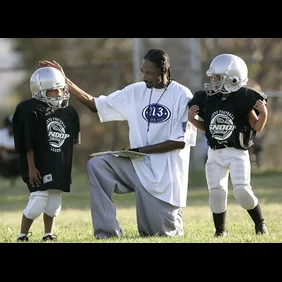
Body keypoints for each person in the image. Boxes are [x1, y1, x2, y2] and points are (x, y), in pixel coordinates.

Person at [39, 48, 197, 239]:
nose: (145, 77)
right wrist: (67, 83)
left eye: (150, 73)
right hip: (136, 167)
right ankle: (107, 232)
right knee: (97, 166)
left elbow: (178, 142)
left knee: (160, 234)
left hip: (164, 179)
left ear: (164, 69)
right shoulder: (135, 91)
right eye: (143, 71)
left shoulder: (182, 95)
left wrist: (138, 150)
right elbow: (95, 105)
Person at [187, 53, 268, 237]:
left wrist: (263, 114)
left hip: (237, 152)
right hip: (215, 153)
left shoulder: (242, 99)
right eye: (213, 78)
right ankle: (220, 231)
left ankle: (260, 223)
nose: (214, 82)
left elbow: (256, 126)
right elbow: (207, 128)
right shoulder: (209, 99)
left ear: (233, 78)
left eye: (217, 78)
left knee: (241, 191)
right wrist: (192, 120)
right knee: (216, 192)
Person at [13, 66, 80, 242]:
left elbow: (69, 143)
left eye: (61, 89)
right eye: (54, 90)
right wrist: (31, 167)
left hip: (58, 163)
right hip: (38, 163)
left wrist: (66, 167)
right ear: (40, 90)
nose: (59, 93)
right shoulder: (30, 110)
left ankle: (48, 234)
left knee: (54, 202)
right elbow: (26, 142)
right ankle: (22, 235)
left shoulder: (69, 111)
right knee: (38, 200)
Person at [0, 114, 21, 184]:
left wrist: (5, 147)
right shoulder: (1, 133)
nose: (11, 128)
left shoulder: (21, 133)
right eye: (10, 126)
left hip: (18, 157)